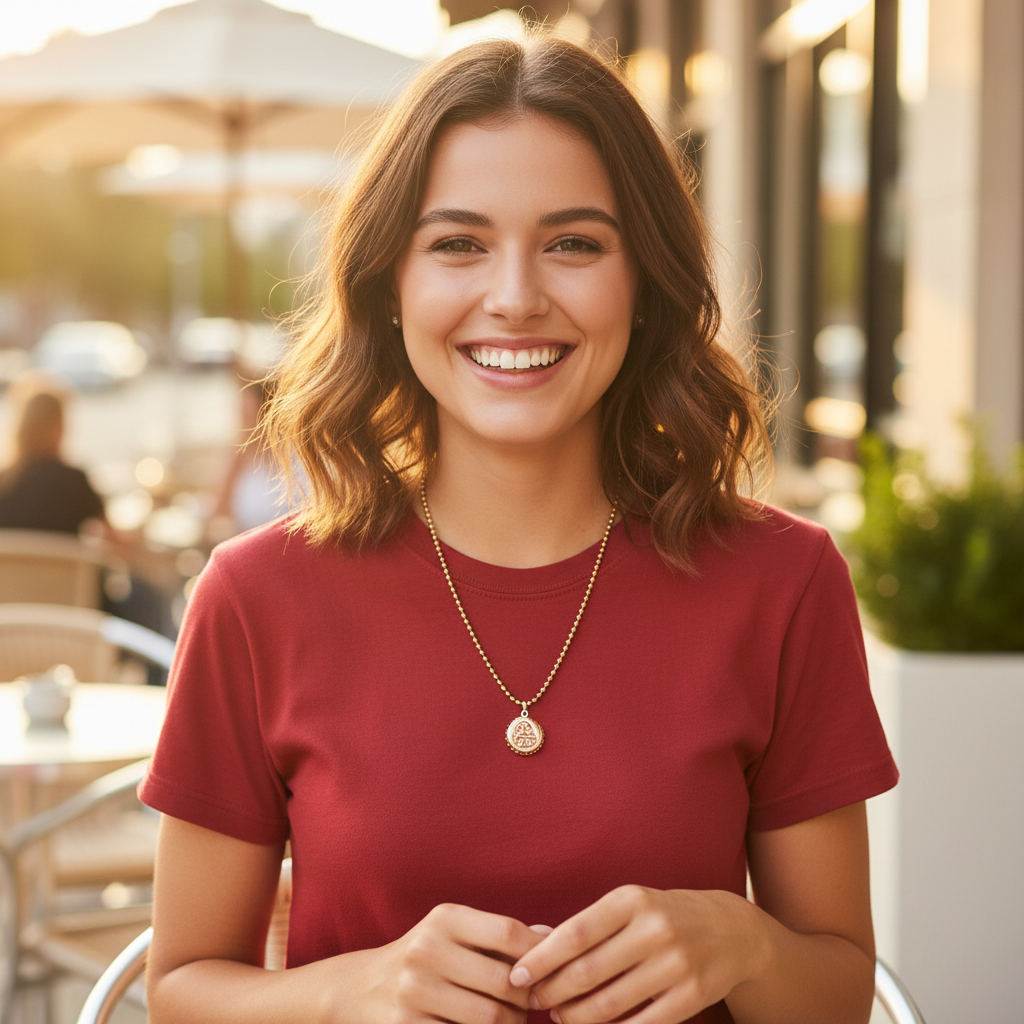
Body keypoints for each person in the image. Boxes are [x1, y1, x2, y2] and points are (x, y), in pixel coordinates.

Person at [140, 34, 897, 1024]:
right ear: (390, 283)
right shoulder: (255, 598)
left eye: (573, 242)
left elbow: (838, 993)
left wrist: (743, 943)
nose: (514, 297)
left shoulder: (782, 580)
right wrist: (346, 991)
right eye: (457, 242)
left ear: (644, 279)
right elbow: (180, 990)